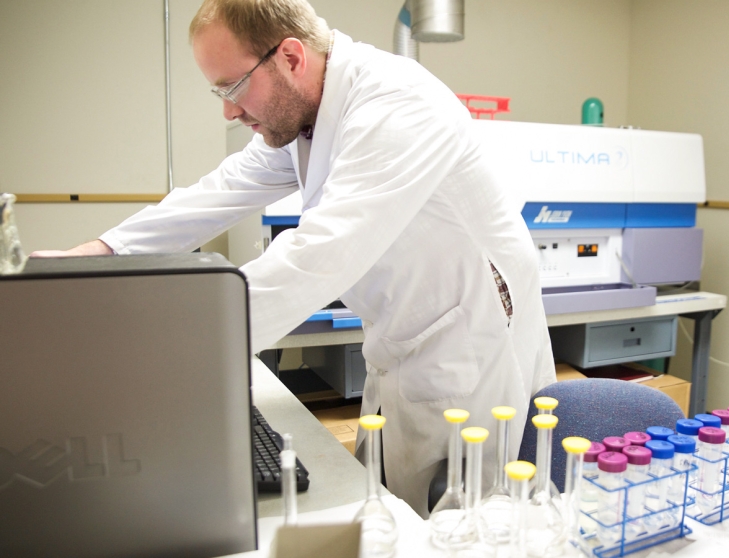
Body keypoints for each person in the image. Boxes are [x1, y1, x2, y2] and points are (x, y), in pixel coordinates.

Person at [32, 0, 555, 517]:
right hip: (407, 334)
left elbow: (320, 254)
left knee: (466, 521)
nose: (229, 111)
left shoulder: (398, 103)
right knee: (389, 502)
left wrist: (170, 350)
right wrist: (99, 252)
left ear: (290, 57)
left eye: (233, 88)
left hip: (469, 340)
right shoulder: (310, 112)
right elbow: (222, 189)